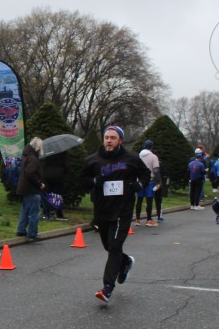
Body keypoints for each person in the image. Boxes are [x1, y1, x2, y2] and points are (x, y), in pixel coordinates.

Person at [79, 125, 150, 305]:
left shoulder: (131, 159)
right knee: (109, 246)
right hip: (102, 210)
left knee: (115, 247)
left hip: (122, 209)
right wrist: (94, 180)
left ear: (120, 140)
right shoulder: (93, 160)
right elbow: (82, 181)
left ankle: (107, 288)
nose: (109, 141)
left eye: (113, 138)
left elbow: (146, 174)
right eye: (106, 137)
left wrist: (139, 185)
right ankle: (125, 261)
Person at [15, 137, 45, 241]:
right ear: (37, 148)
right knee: (34, 212)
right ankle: (32, 233)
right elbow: (30, 173)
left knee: (25, 210)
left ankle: (21, 230)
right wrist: (39, 183)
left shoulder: (27, 156)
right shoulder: (33, 159)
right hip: (32, 189)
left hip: (25, 188)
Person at [135, 139, 161, 227]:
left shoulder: (139, 156)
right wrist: (158, 182)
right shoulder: (154, 157)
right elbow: (156, 170)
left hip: (140, 180)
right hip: (150, 181)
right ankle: (149, 219)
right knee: (149, 200)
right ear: (152, 147)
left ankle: (137, 220)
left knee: (139, 200)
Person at [42, 151, 68, 220]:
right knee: (57, 195)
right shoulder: (63, 151)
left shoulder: (49, 150)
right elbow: (66, 165)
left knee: (48, 194)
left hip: (47, 174)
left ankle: (46, 213)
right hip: (58, 175)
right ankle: (59, 214)